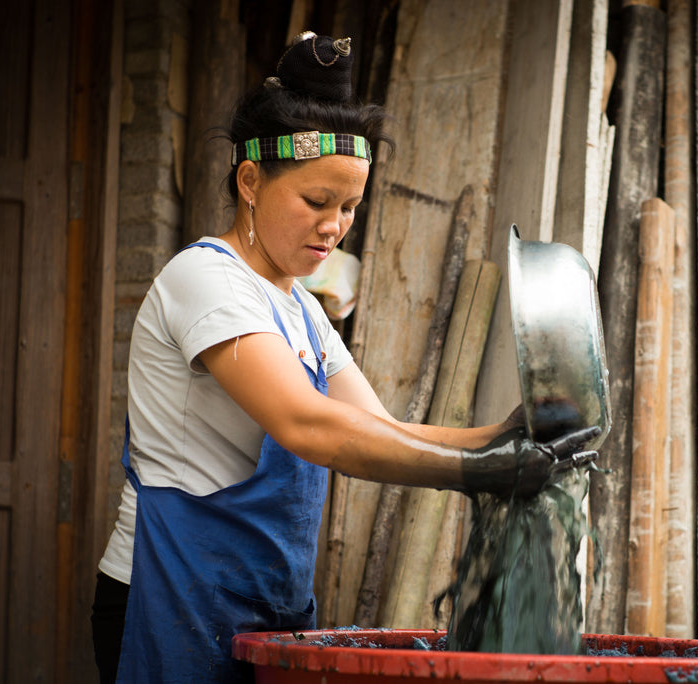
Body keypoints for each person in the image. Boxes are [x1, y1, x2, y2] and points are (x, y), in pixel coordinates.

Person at [90, 32, 598, 683]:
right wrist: (479, 472)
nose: (335, 225)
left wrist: (508, 438)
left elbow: (378, 430)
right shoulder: (206, 281)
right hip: (166, 592)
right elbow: (310, 426)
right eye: (316, 202)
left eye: (351, 206)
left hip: (263, 603)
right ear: (250, 181)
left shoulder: (299, 307)